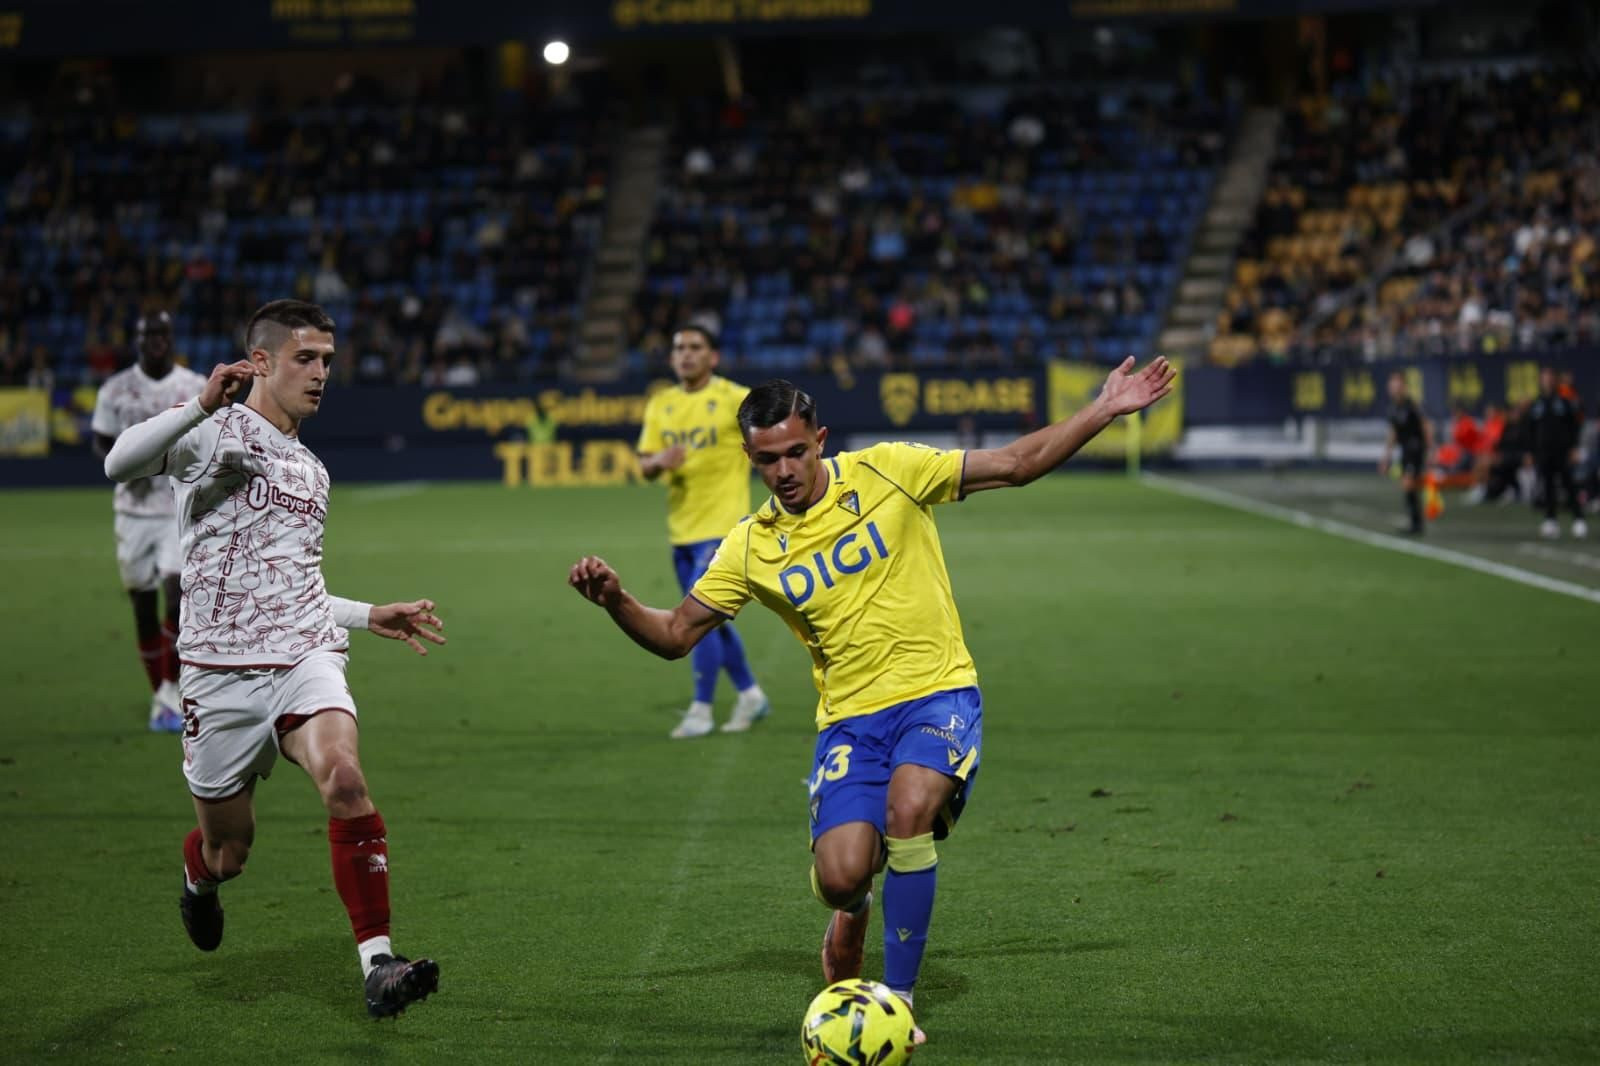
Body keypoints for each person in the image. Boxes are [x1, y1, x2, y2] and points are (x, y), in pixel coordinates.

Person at [570, 357, 1176, 1044]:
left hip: (937, 691)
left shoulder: (889, 470)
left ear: (820, 438)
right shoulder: (751, 547)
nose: (786, 470)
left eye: (797, 451)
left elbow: (1014, 463)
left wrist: (1103, 409)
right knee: (839, 876)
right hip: (851, 724)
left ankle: (899, 999)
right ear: (750, 459)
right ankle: (852, 908)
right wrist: (616, 600)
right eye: (769, 460)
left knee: (909, 809)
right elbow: (676, 634)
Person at [103, 300, 444, 1018]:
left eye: (327, 359)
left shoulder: (312, 471)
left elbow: (295, 585)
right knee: (231, 850)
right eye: (305, 359)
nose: (322, 373)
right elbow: (117, 462)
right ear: (260, 362)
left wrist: (365, 614)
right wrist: (197, 404)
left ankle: (378, 964)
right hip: (216, 675)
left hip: (301, 655)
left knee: (345, 779)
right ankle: (200, 881)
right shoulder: (211, 433)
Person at [636, 325, 768, 738]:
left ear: (713, 356)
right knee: (708, 620)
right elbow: (643, 465)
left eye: (695, 348)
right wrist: (660, 460)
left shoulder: (735, 399)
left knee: (691, 618)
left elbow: (771, 440)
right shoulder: (662, 404)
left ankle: (701, 708)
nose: (685, 355)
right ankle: (750, 693)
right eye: (679, 348)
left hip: (722, 531)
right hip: (682, 531)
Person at [91, 311, 208, 731]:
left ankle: (170, 692)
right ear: (137, 340)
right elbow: (102, 441)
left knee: (177, 600)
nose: (155, 340)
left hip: (178, 510)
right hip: (133, 515)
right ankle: (160, 692)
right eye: (147, 334)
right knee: (143, 607)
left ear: (172, 338)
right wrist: (127, 461)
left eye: (162, 333)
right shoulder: (116, 389)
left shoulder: (193, 386)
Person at [1525, 366, 1586, 539]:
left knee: (1569, 484)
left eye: (1550, 377)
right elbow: (1530, 430)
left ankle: (1578, 519)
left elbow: (1574, 426)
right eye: (1544, 377)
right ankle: (1551, 520)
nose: (1548, 380)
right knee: (1548, 486)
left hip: (1563, 451)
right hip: (1544, 452)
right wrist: (1530, 452)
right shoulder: (1537, 404)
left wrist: (1574, 447)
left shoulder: (1564, 401)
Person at [1379, 371, 1432, 535]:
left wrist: (1431, 449)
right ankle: (1415, 521)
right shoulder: (1393, 408)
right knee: (1408, 485)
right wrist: (1386, 457)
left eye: (1398, 384)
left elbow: (1425, 425)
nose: (1395, 388)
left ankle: (1417, 523)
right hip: (1404, 450)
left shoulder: (1411, 405)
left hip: (1415, 448)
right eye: (1392, 384)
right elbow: (1393, 434)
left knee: (1409, 483)